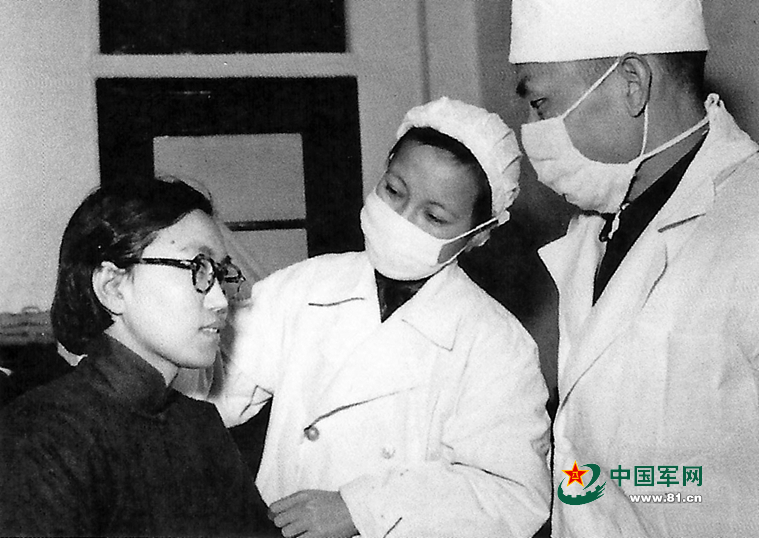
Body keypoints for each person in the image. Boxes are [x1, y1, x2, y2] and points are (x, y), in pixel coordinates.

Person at [211, 97, 552, 538]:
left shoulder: (497, 344)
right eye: (393, 191)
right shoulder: (305, 287)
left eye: (434, 216)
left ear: (478, 235)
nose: (401, 219)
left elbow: (511, 495)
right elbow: (212, 391)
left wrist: (363, 508)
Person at [509, 0, 759, 536]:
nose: (531, 129)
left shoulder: (750, 221)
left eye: (540, 104)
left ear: (631, 83)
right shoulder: (600, 226)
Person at [0, 177, 264, 536]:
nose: (220, 300)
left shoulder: (200, 425)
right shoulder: (39, 435)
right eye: (197, 267)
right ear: (112, 287)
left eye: (220, 273)